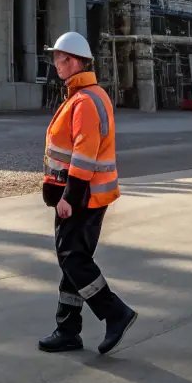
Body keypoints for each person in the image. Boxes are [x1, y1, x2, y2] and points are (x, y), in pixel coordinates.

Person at [39, 31, 137, 356]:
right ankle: (68, 329)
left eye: (58, 58)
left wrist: (69, 197)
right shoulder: (83, 96)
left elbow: (84, 155)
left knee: (73, 259)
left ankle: (115, 312)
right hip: (84, 197)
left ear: (73, 61)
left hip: (83, 198)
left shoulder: (85, 101)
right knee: (72, 260)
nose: (55, 64)